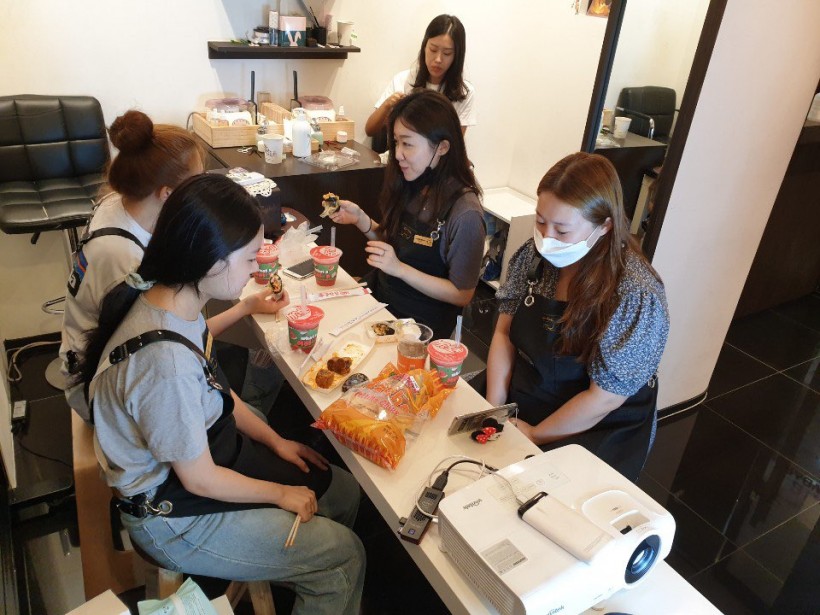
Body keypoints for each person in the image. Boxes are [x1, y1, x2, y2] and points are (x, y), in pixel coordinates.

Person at [80, 174, 365, 614]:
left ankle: (297, 569)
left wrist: (276, 441)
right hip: (170, 516)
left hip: (199, 461)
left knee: (342, 492)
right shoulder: (165, 366)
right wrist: (279, 494)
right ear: (210, 260)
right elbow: (200, 480)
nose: (256, 269)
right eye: (250, 258)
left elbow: (214, 384)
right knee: (344, 557)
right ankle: (317, 572)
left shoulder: (170, 297)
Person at [60, 110, 283, 421]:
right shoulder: (127, 259)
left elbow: (182, 330)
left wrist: (246, 306)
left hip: (116, 362)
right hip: (98, 391)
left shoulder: (118, 205)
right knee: (259, 393)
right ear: (167, 194)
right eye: (198, 182)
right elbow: (167, 337)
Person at [485, 153, 669, 480]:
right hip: (534, 393)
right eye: (541, 221)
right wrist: (494, 411)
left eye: (562, 230)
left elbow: (604, 398)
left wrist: (534, 434)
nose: (546, 239)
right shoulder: (532, 258)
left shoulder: (634, 294)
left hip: (597, 423)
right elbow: (503, 334)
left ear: (604, 226)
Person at [331, 89, 485, 340]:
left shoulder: (465, 214)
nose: (397, 154)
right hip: (383, 302)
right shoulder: (412, 182)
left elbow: (462, 294)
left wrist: (400, 269)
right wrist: (361, 219)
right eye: (396, 142)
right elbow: (395, 245)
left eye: (407, 144)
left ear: (442, 147)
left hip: (421, 328)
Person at [365, 14, 476, 151]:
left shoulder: (464, 93)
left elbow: (455, 147)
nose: (438, 59)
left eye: (447, 53)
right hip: (400, 159)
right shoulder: (404, 80)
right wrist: (388, 104)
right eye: (433, 49)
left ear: (457, 56)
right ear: (424, 47)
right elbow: (370, 130)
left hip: (439, 162)